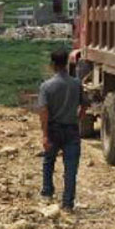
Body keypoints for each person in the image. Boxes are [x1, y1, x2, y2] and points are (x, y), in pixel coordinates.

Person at [38, 49, 89, 211]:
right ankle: (67, 203)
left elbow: (44, 111)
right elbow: (85, 105)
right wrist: (78, 119)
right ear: (66, 63)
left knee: (48, 161)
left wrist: (45, 135)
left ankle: (47, 192)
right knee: (71, 168)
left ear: (52, 65)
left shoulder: (46, 86)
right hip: (72, 130)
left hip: (54, 129)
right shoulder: (76, 84)